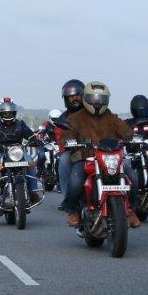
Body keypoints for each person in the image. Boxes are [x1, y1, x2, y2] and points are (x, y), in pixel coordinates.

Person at [60, 81, 140, 229]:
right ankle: (72, 211)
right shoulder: (75, 118)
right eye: (94, 99)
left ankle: (130, 210)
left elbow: (124, 130)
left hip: (112, 158)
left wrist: (132, 137)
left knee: (133, 177)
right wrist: (71, 142)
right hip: (87, 158)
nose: (97, 102)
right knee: (76, 181)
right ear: (86, 98)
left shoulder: (110, 116)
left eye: (101, 99)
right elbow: (66, 136)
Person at [0, 99, 41, 205]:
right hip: (0, 151)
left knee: (30, 162)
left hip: (18, 152)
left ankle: (34, 191)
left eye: (10, 113)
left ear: (14, 113)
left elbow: (30, 135)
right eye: (5, 113)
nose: (8, 115)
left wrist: (34, 140)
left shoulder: (20, 124)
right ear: (0, 113)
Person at [55, 79, 85, 210]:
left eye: (77, 95)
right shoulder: (62, 120)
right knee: (63, 160)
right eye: (70, 97)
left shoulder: (94, 112)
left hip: (96, 149)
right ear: (66, 99)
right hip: (74, 151)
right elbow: (60, 140)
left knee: (124, 163)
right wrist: (69, 145)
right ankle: (68, 199)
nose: (74, 99)